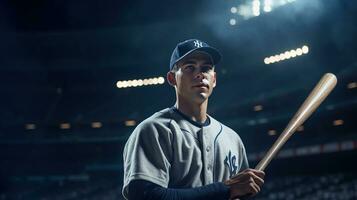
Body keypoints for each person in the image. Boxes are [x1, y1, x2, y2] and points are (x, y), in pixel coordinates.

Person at [122, 39, 265, 200]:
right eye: (190, 67)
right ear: (172, 78)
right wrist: (225, 189)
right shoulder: (154, 129)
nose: (200, 74)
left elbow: (239, 194)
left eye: (206, 68)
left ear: (214, 79)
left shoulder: (232, 138)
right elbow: (145, 195)